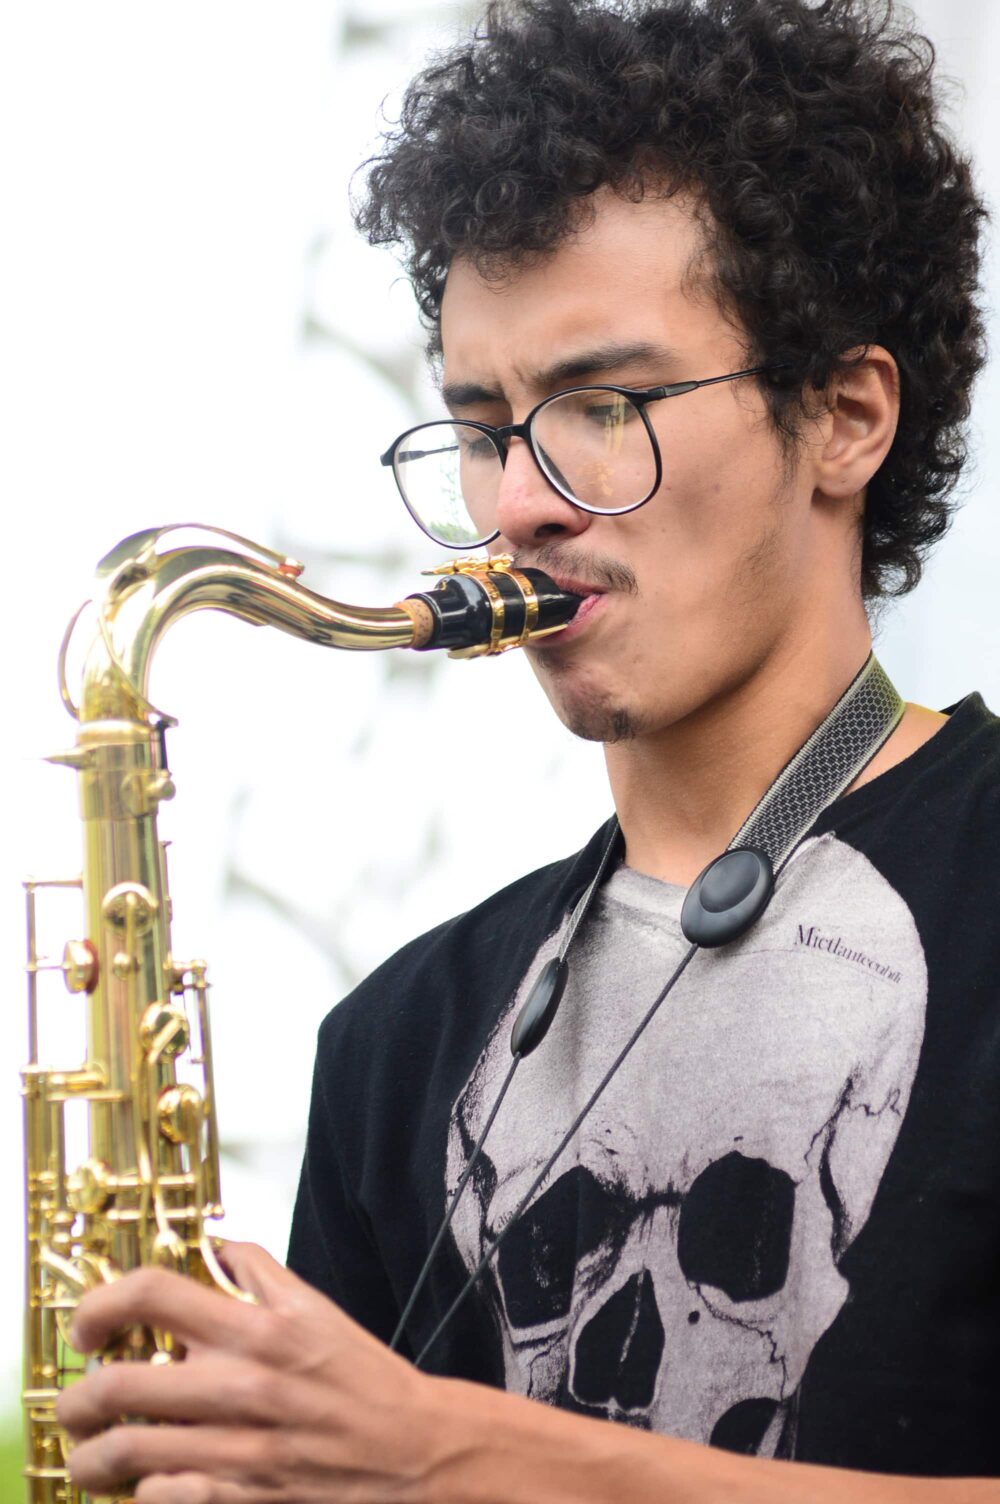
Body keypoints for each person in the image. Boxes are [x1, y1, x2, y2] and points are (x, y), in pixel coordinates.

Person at [57, 0, 1000, 1498]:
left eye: (602, 407)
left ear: (844, 417)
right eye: (486, 426)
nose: (517, 507)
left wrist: (449, 1451)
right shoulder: (391, 1045)